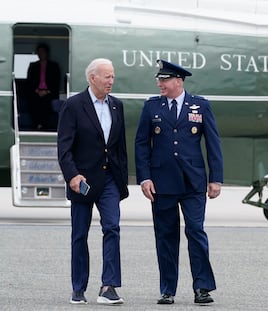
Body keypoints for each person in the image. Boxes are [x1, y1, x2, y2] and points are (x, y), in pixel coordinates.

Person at [135, 59, 224, 305]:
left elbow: (213, 143)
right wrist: (144, 177)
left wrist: (216, 178)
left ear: (178, 81)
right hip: (161, 182)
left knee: (195, 232)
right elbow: (141, 144)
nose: (159, 83)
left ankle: (202, 287)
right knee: (165, 235)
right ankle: (167, 289)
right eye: (159, 80)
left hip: (193, 181)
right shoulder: (152, 107)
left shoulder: (200, 105)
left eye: (164, 80)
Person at [57, 58, 129, 305]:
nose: (111, 81)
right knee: (80, 234)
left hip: (109, 179)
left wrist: (122, 181)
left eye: (112, 76)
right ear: (92, 78)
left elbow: (119, 148)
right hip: (83, 180)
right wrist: (72, 175)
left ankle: (108, 286)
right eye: (107, 76)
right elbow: (64, 148)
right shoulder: (74, 105)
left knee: (112, 228)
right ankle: (78, 288)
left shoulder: (117, 106)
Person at [26, 43, 60, 130]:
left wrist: (47, 91)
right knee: (33, 102)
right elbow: (29, 81)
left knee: (47, 104)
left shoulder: (54, 66)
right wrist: (37, 90)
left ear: (47, 53)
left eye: (43, 52)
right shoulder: (33, 66)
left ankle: (44, 126)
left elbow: (56, 81)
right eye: (39, 52)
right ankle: (35, 125)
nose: (41, 54)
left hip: (49, 92)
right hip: (36, 92)